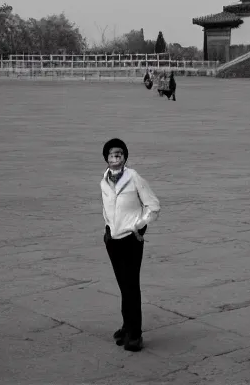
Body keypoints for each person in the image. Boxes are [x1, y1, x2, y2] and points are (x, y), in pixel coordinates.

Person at [101, 138, 160, 352]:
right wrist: (108, 230)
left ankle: (135, 334)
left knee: (131, 286)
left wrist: (139, 227)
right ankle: (127, 325)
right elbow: (108, 208)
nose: (115, 157)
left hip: (131, 240)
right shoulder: (104, 180)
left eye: (119, 153)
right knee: (123, 286)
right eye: (111, 154)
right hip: (112, 240)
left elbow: (153, 206)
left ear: (125, 157)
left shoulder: (134, 178)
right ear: (106, 158)